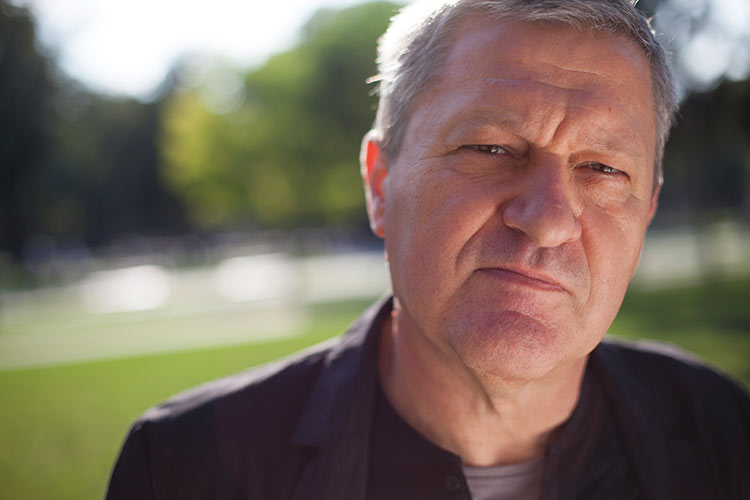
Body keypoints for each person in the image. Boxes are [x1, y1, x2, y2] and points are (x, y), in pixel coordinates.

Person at [106, 1, 749, 499]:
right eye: (490, 148)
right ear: (380, 183)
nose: (549, 221)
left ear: (647, 211)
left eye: (604, 168)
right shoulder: (187, 468)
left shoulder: (723, 429)